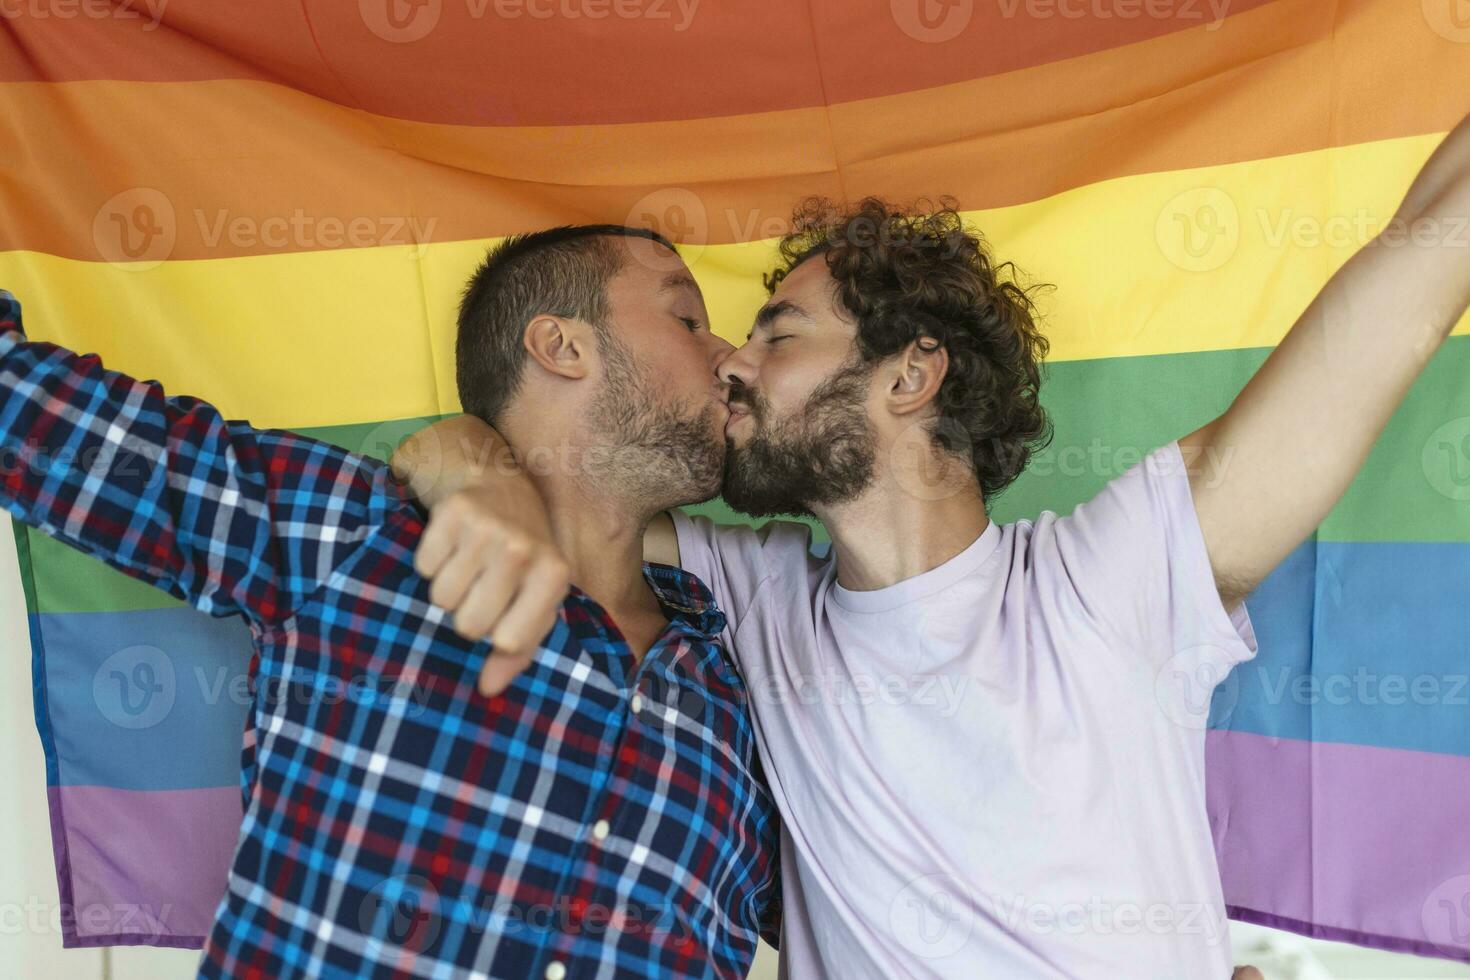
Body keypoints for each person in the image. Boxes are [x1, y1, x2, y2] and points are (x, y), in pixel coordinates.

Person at [394, 110, 1470, 977]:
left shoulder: (1111, 580)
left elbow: (1419, 270)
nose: (731, 367)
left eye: (778, 336)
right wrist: (460, 460)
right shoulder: (749, 595)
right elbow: (560, 459)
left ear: (909, 376)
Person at [0, 226, 782, 978]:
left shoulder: (749, 698)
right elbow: (26, 415)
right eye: (689, 320)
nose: (734, 362)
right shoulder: (357, 537)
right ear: (561, 347)